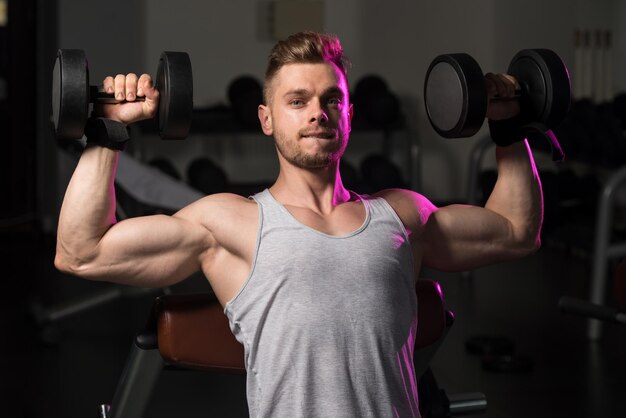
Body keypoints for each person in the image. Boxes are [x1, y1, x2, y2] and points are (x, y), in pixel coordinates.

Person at [55, 32, 543, 417]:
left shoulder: (403, 215)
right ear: (267, 119)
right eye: (298, 100)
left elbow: (516, 229)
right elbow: (81, 252)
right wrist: (109, 133)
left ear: (349, 113)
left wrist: (509, 126)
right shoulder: (229, 223)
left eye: (332, 99)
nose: (318, 113)